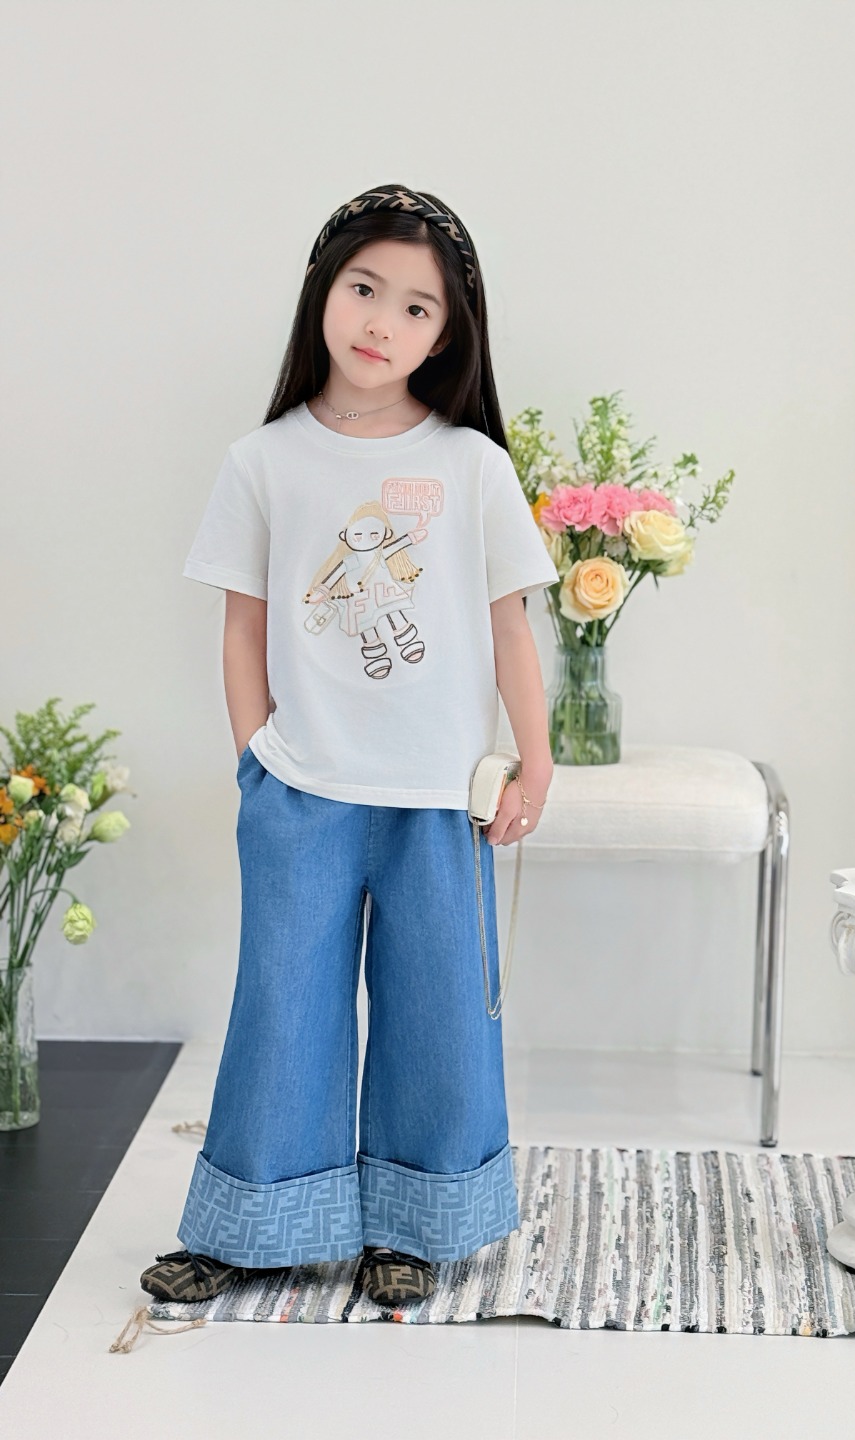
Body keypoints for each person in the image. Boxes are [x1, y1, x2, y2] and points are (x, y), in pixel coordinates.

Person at [140, 183, 559, 1309]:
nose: (383, 322)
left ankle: (416, 1224)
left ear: (449, 334)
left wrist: (536, 760)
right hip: (301, 786)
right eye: (365, 289)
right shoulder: (263, 460)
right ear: (323, 291)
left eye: (418, 308)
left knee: (438, 1009)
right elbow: (242, 626)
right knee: (284, 1005)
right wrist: (257, 756)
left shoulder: (472, 465)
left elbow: (508, 626)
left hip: (440, 794)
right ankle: (255, 1220)